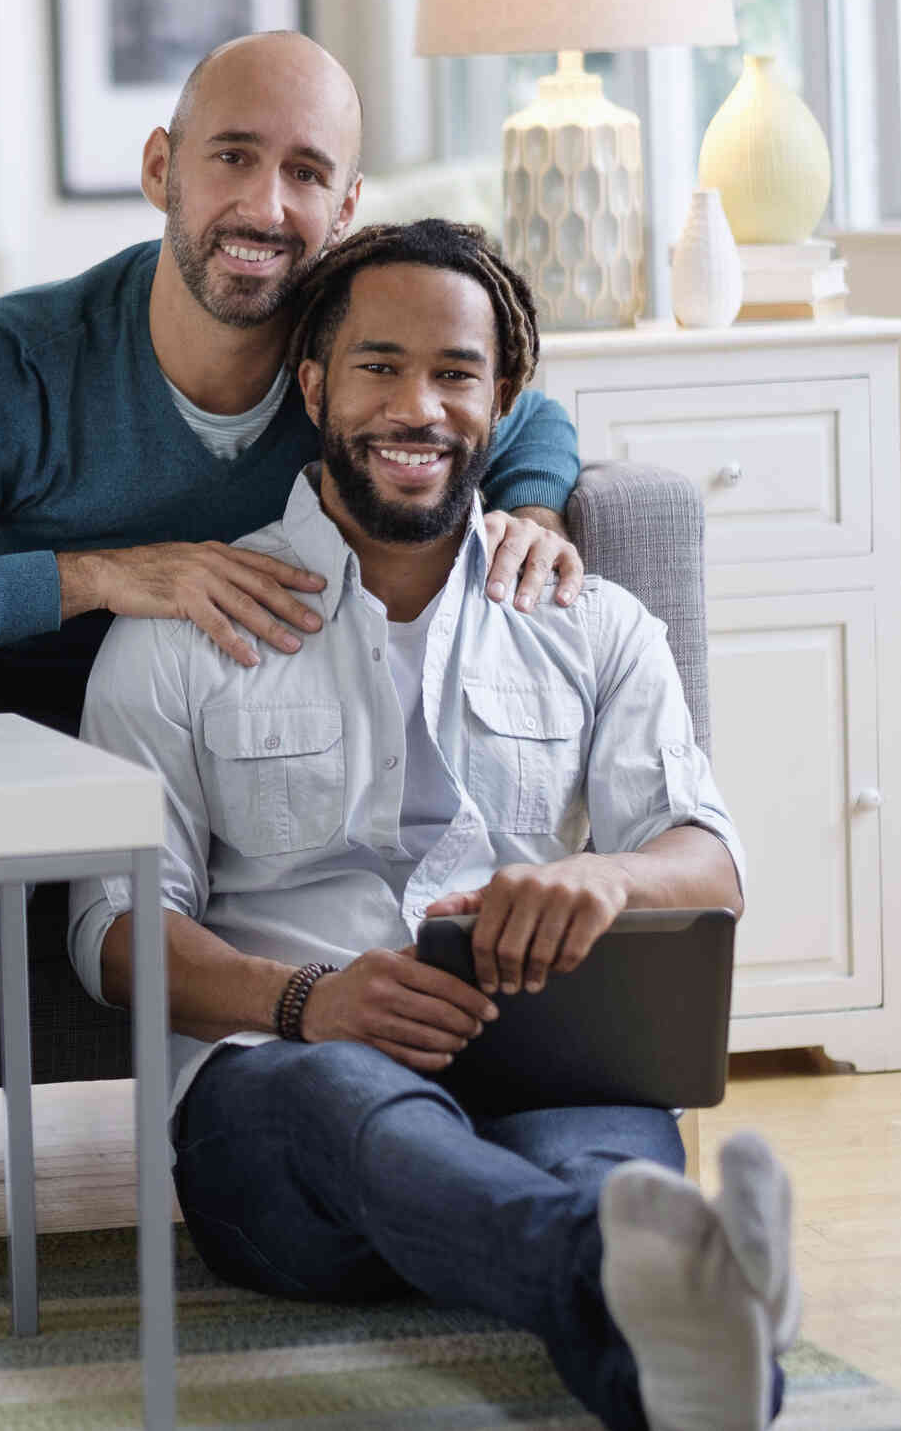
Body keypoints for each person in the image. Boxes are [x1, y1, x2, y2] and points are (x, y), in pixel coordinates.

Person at [0, 31, 587, 1374]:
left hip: (47, 769)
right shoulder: (22, 356)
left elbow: (520, 409)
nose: (266, 203)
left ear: (345, 210)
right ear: (161, 171)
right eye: (233, 158)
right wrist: (100, 575)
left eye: (306, 171)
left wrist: (534, 505)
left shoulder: (348, 379)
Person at [68, 217, 796, 1431]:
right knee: (351, 1109)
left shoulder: (591, 621)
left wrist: (605, 883)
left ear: (502, 403)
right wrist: (306, 1004)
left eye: (456, 373)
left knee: (600, 1170)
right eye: (378, 365)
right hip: (289, 1097)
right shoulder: (181, 627)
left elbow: (707, 861)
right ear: (312, 386)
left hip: (546, 1061)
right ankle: (672, 1276)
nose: (418, 405)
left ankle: (699, 1383)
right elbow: (110, 933)